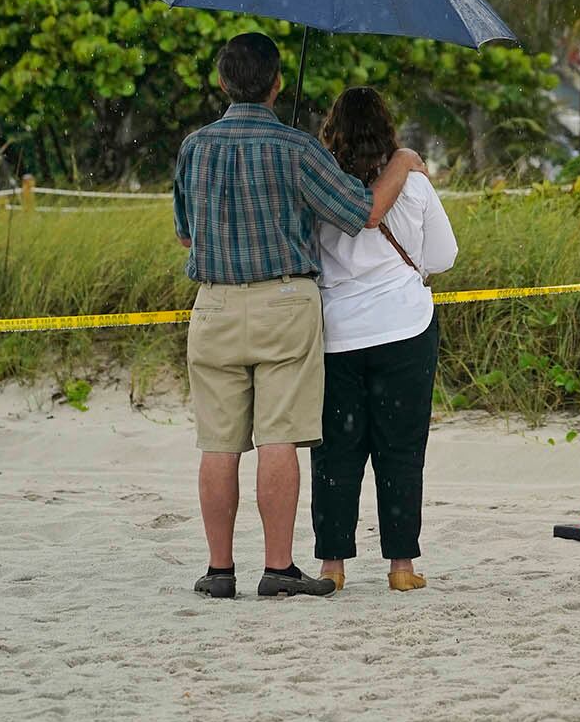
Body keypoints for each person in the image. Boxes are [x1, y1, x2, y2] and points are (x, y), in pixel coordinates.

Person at [174, 33, 426, 601]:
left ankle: (218, 571)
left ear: (221, 82)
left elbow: (186, 231)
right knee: (278, 438)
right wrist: (404, 162)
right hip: (284, 301)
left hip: (213, 302)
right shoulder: (296, 149)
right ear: (278, 83)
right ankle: (279, 567)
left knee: (218, 443)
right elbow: (362, 212)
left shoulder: (195, 147)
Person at [310, 86, 458, 593]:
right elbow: (443, 256)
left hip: (337, 334)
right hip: (405, 329)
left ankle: (332, 564)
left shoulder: (322, 186)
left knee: (335, 452)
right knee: (400, 450)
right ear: (388, 131)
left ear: (333, 132)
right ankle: (400, 565)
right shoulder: (413, 184)